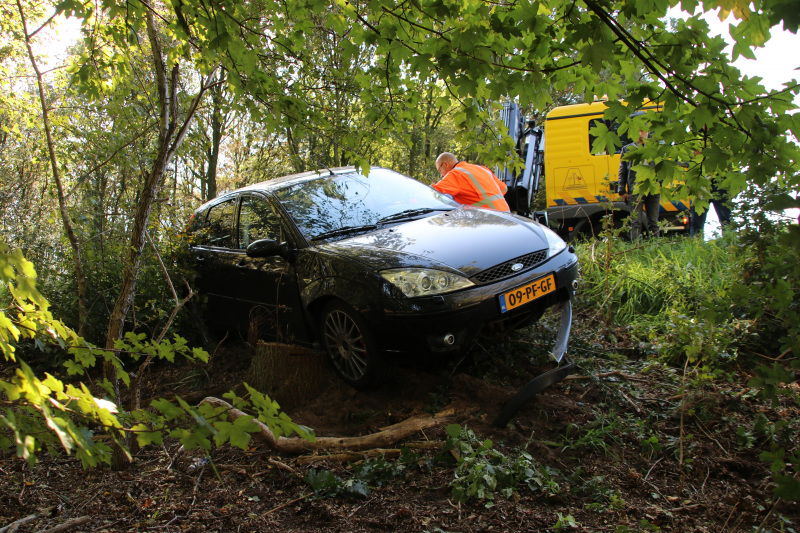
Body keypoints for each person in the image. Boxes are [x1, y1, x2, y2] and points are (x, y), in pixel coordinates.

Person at [432, 152, 510, 212]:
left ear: (445, 164)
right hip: (505, 214)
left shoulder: (455, 174)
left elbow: (433, 194)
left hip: (489, 218)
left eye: (440, 170)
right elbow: (504, 188)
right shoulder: (481, 168)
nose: (441, 175)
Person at [618, 129, 659, 241]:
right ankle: (636, 247)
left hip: (653, 188)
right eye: (638, 131)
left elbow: (661, 168)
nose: (640, 134)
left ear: (648, 132)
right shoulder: (627, 149)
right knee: (635, 222)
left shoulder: (654, 148)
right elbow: (622, 171)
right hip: (635, 189)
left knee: (653, 222)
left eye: (643, 131)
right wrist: (622, 190)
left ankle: (656, 247)